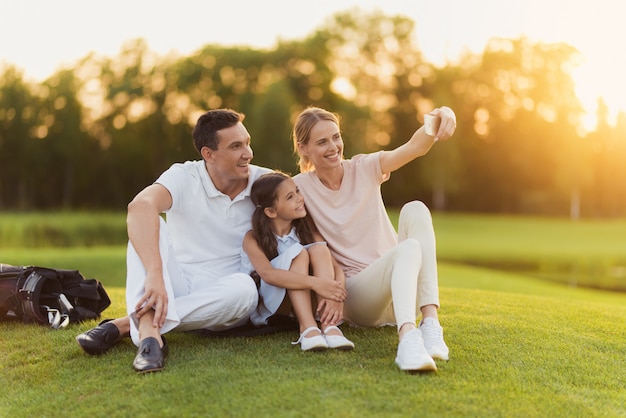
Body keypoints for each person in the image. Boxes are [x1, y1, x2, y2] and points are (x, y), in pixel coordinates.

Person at [75, 108, 347, 373]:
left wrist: (330, 285)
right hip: (176, 285)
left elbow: (309, 233)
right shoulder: (184, 176)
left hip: (228, 298)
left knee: (245, 290)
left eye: (248, 143)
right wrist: (156, 274)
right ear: (209, 154)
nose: (248, 154)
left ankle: (127, 326)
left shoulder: (264, 182)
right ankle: (148, 334)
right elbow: (139, 207)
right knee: (146, 220)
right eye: (236, 147)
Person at [291, 105, 457, 372]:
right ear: (303, 148)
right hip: (359, 297)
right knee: (409, 248)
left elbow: (415, 147)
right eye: (322, 142)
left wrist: (441, 115)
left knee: (416, 209)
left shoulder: (364, 166)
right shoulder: (298, 187)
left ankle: (430, 322)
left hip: (402, 292)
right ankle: (407, 339)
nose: (333, 146)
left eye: (336, 137)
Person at [240, 171, 354, 351]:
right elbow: (268, 275)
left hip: (305, 301)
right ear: (271, 211)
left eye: (298, 191)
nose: (300, 198)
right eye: (290, 197)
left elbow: (336, 269)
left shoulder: (306, 231)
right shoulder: (253, 238)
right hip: (274, 307)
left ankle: (329, 326)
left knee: (319, 249)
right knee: (299, 254)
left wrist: (336, 296)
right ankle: (308, 329)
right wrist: (318, 283)